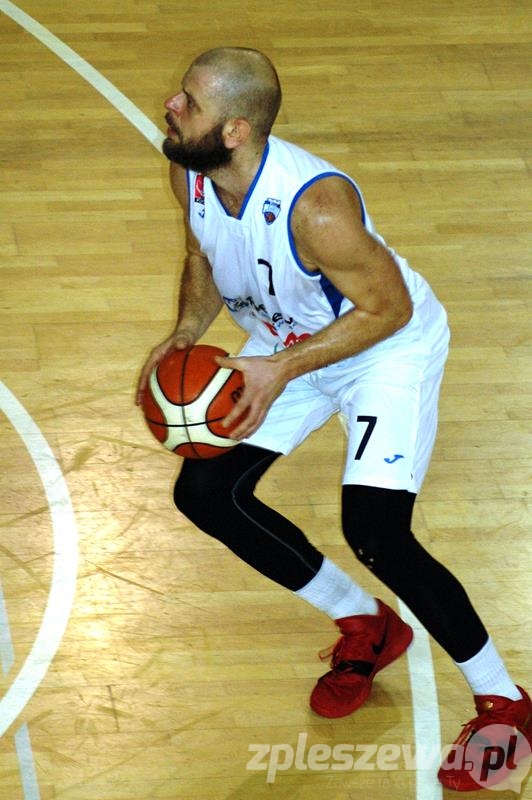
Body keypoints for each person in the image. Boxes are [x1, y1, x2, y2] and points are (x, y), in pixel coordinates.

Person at [136, 47, 531, 791]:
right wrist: (186, 330)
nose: (171, 105)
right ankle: (366, 626)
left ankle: (505, 701)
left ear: (236, 131)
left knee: (377, 531)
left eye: (190, 100)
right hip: (288, 341)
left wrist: (281, 369)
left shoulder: (316, 208)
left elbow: (391, 308)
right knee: (206, 493)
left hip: (381, 347)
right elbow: (202, 256)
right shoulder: (191, 171)